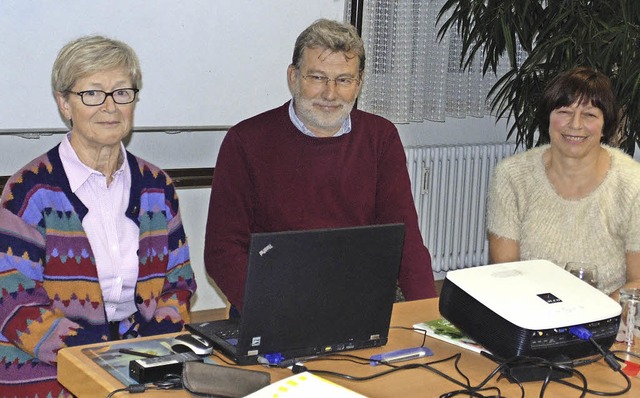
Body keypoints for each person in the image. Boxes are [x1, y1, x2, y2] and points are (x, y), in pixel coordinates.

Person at [0, 36, 197, 397]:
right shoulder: (28, 191)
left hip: (140, 357)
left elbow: (178, 285)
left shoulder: (157, 187)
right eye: (92, 93)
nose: (110, 107)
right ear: (64, 103)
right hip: (43, 363)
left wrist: (152, 350)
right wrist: (97, 358)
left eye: (122, 92)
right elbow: (14, 301)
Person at [204, 19, 436, 314]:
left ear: (359, 82)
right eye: (317, 77)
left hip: (360, 306)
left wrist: (426, 318)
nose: (330, 94)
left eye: (343, 80)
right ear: (293, 77)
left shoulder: (381, 138)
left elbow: (406, 240)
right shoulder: (245, 141)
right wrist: (274, 309)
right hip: (273, 306)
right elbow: (222, 251)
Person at [486, 66, 640, 298]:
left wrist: (595, 316)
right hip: (530, 311)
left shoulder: (632, 184)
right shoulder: (511, 177)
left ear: (605, 125)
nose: (575, 124)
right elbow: (505, 272)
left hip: (607, 316)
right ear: (548, 117)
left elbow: (638, 281)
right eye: (564, 112)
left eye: (589, 114)